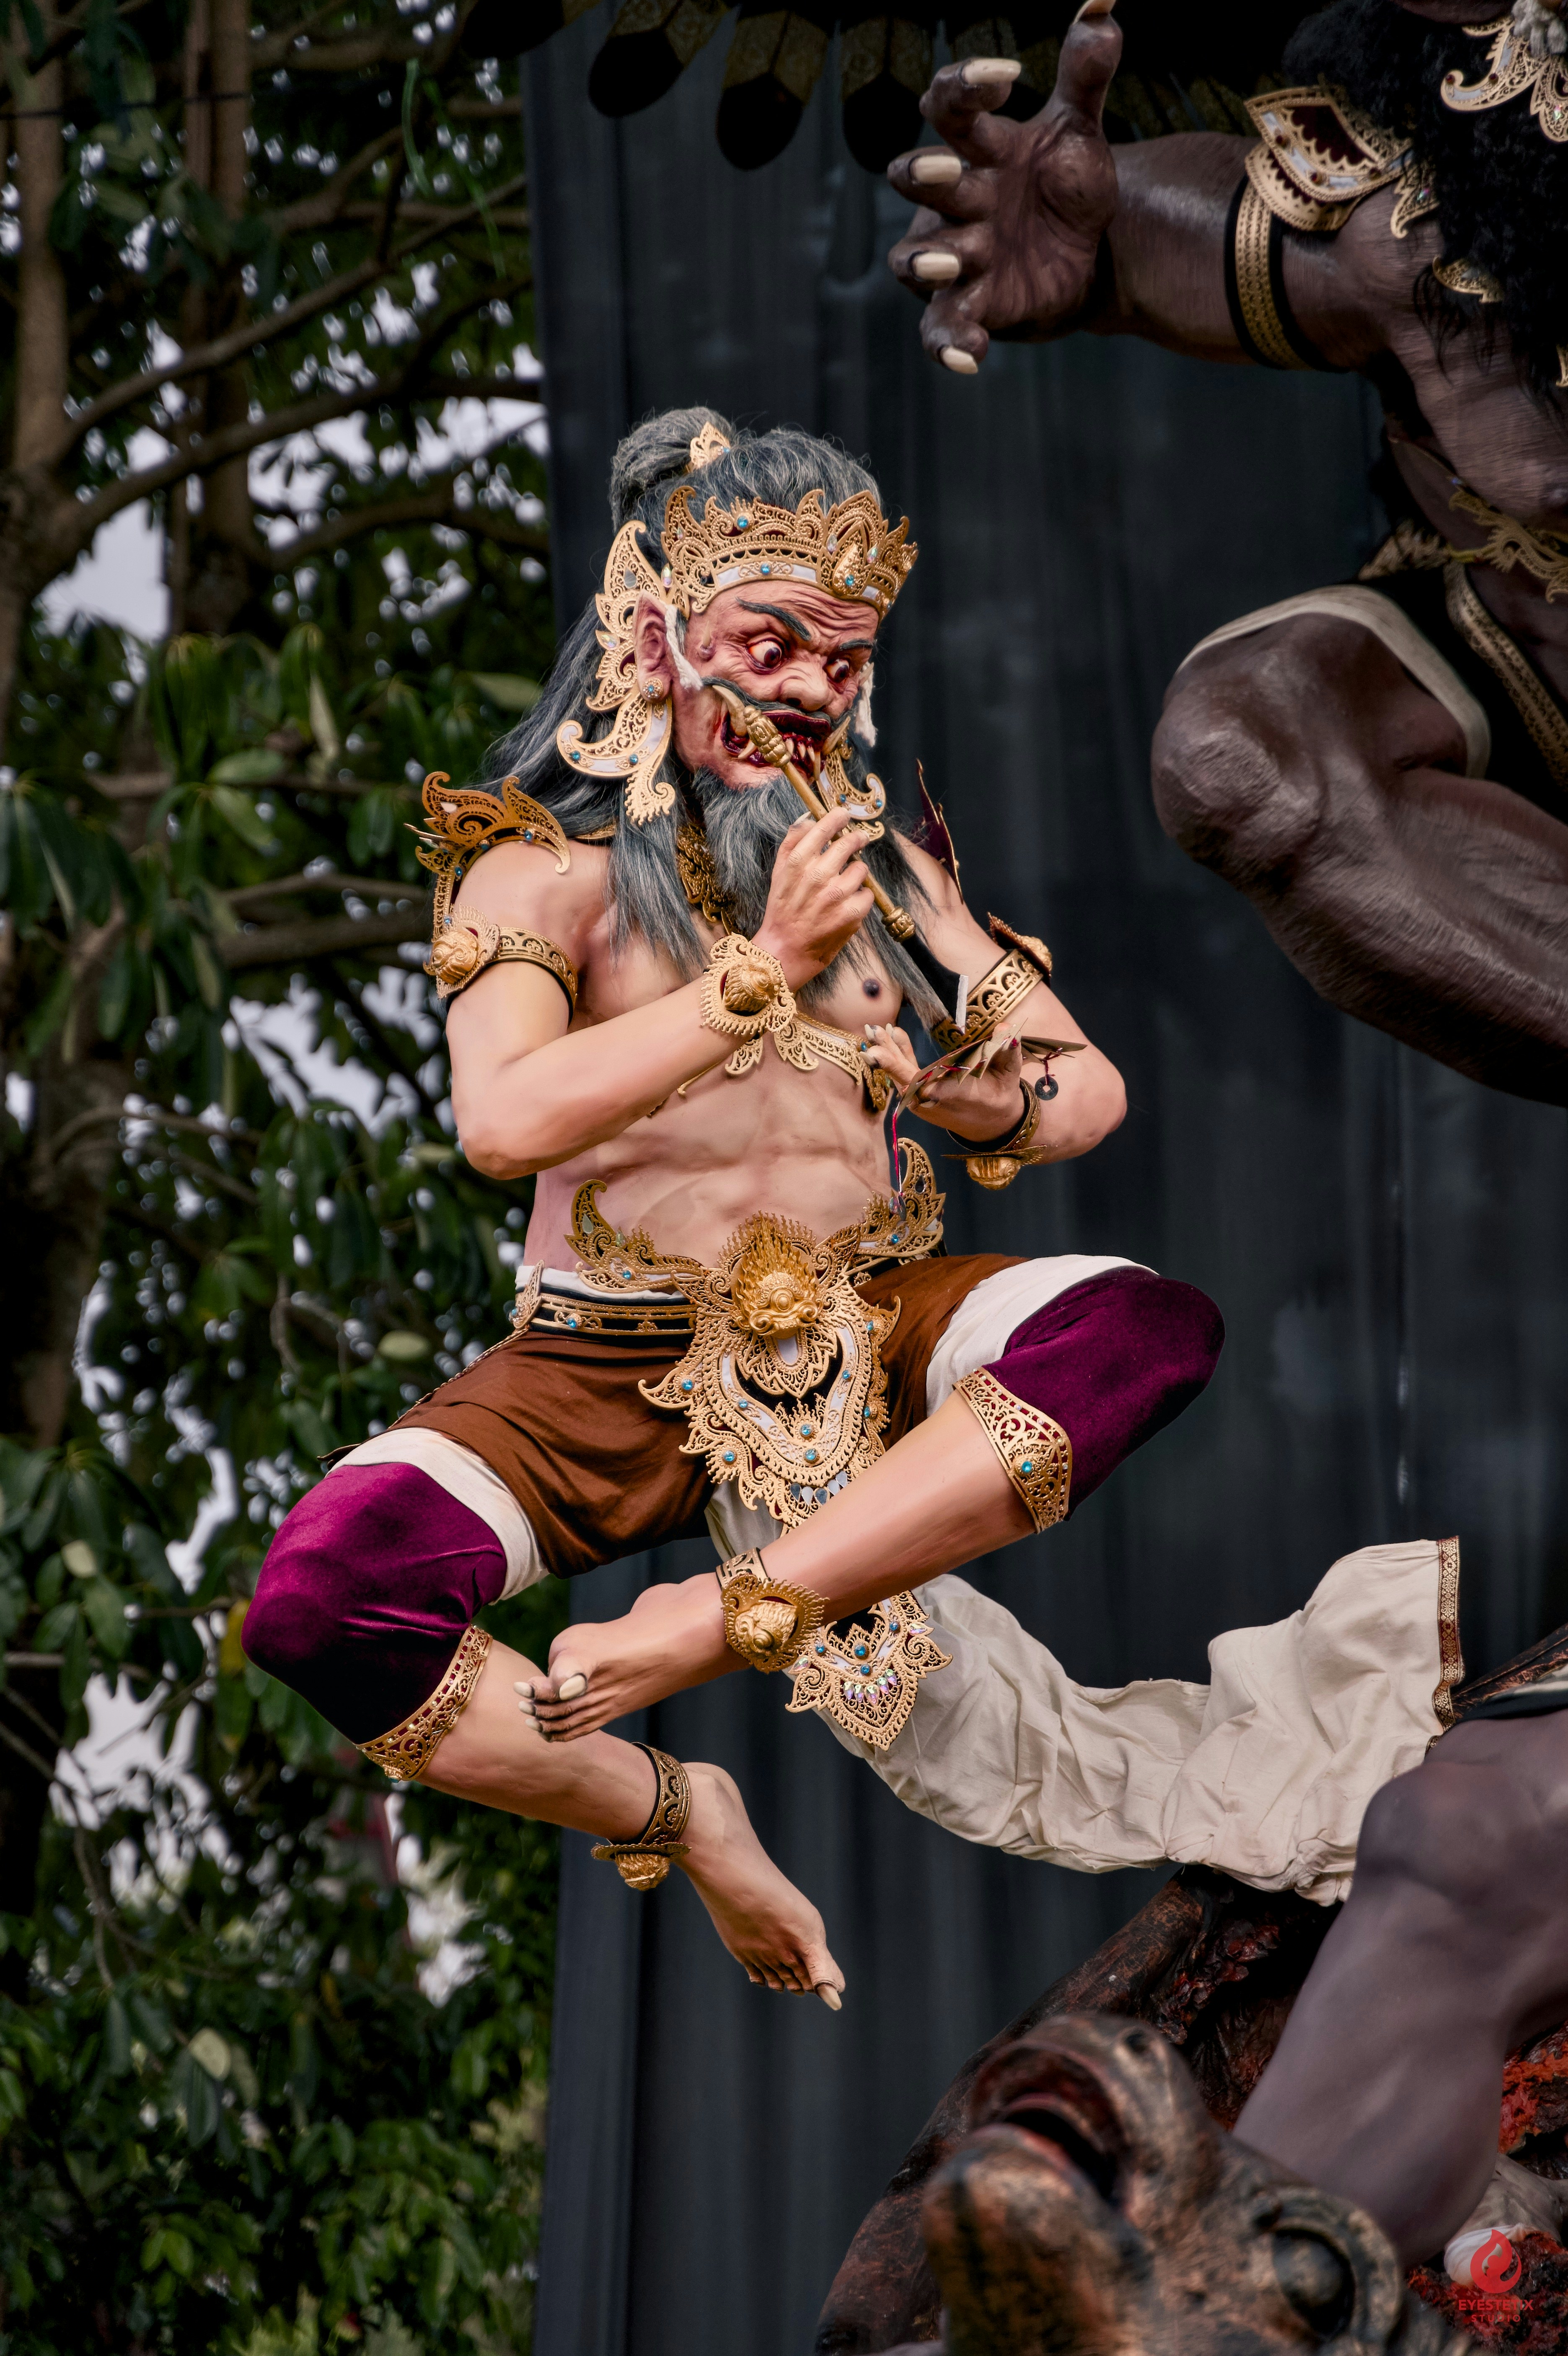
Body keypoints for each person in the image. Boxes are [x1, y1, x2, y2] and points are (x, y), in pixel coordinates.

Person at [243, 407, 1223, 2002]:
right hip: (606, 1363)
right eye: (768, 645)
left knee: (1144, 1329)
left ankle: (728, 1619)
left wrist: (961, 1091)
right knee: (325, 1606)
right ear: (655, 635)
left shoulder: (883, 869)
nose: (807, 695)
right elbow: (500, 1122)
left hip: (860, 1314)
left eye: (841, 666)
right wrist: (756, 978)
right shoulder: (537, 871)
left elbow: (1086, 1095)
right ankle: (679, 1804)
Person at [886, 3, 1568, 2268]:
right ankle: (1236, 2320)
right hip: (1495, 686)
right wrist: (1094, 234)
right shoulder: (1452, 175)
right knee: (1251, 745)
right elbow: (1273, 244)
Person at [886, 0, 1568, 1106]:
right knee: (1237, 757)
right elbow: (1253, 251)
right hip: (1518, 641)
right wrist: (1077, 251)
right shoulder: (1420, 180)